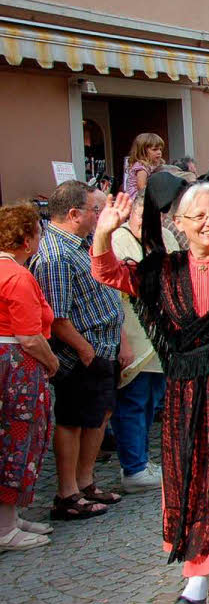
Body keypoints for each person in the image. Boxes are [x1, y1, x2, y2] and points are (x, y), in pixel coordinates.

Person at [91, 180, 209, 604]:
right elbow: (108, 272)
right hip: (187, 396)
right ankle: (200, 569)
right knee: (194, 477)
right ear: (179, 224)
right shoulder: (163, 270)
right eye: (199, 216)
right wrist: (103, 232)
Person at [31, 181, 125, 521]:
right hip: (81, 352)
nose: (98, 215)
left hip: (103, 347)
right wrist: (88, 353)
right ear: (74, 214)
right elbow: (57, 316)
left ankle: (86, 482)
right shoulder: (55, 255)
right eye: (93, 210)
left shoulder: (82, 244)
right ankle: (67, 492)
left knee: (98, 415)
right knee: (72, 420)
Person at [109, 194, 179, 494]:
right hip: (135, 329)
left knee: (152, 400)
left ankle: (141, 460)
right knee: (134, 401)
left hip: (162, 332)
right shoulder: (118, 240)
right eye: (141, 219)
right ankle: (133, 466)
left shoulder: (163, 236)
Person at [0, 203, 59, 551]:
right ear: (26, 239)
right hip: (17, 367)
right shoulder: (17, 276)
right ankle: (6, 526)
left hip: (10, 362)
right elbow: (30, 336)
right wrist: (51, 362)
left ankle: (10, 517)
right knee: (17, 440)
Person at [123, 133, 165, 201]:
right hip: (137, 199)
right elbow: (141, 188)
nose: (159, 152)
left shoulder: (155, 164)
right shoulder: (141, 166)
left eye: (160, 149)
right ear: (143, 151)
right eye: (154, 149)